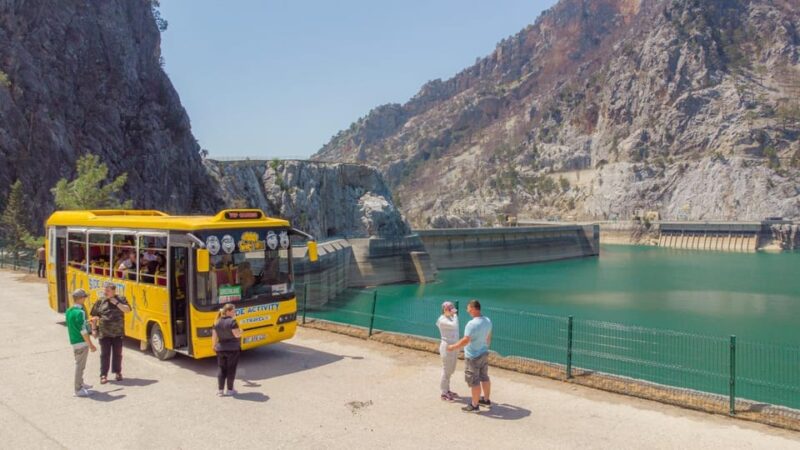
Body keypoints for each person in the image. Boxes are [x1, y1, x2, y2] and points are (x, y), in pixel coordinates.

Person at [447, 299, 492, 413]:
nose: (467, 310)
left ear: (472, 308)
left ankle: (475, 405)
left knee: (474, 381)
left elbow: (465, 340)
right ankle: (486, 400)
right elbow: (488, 336)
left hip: (473, 356)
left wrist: (453, 347)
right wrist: (485, 347)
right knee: (484, 377)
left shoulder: (471, 324)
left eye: (468, 308)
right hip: (483, 353)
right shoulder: (487, 320)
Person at [90, 282, 131, 384]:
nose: (105, 292)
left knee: (118, 354)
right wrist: (94, 329)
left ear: (113, 291)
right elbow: (94, 316)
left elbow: (127, 310)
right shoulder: (100, 301)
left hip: (118, 333)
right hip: (104, 333)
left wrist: (116, 303)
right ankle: (103, 375)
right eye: (105, 290)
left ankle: (118, 372)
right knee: (105, 354)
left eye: (107, 291)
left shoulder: (121, 299)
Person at [66, 289, 97, 397]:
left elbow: (75, 324)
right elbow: (83, 331)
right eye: (84, 297)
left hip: (74, 341)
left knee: (80, 364)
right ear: (79, 299)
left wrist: (88, 321)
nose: (85, 299)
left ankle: (81, 383)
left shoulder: (69, 310)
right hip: (81, 342)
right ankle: (78, 389)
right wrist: (91, 345)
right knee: (80, 366)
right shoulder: (81, 312)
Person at [212, 303, 242, 397]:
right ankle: (230, 390)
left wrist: (213, 346)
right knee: (231, 369)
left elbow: (214, 337)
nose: (235, 313)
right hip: (233, 349)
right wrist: (241, 332)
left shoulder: (216, 322)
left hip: (220, 349)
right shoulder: (233, 322)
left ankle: (220, 390)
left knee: (221, 369)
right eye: (233, 311)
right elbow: (237, 335)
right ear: (228, 311)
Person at [436, 301, 460, 401]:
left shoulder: (450, 317)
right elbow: (454, 325)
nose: (452, 311)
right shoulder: (442, 320)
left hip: (454, 346)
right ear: (445, 309)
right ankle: (444, 393)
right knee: (446, 370)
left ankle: (447, 389)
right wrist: (455, 315)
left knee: (451, 369)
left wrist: (453, 315)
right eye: (450, 309)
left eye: (452, 308)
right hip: (447, 346)